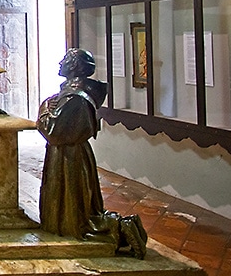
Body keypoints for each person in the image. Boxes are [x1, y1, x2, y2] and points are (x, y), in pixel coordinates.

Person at [37, 48, 148, 259]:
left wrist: (43, 109)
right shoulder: (70, 94)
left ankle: (123, 228)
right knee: (70, 203)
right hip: (66, 154)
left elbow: (53, 131)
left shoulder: (75, 99)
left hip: (69, 157)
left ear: (75, 67)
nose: (60, 62)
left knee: (76, 207)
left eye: (66, 60)